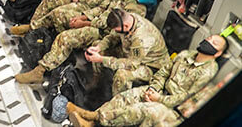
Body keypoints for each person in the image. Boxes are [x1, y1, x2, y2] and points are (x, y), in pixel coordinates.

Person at [67, 34, 226, 127]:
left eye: (214, 43)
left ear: (218, 53)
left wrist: (160, 99)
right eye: (209, 38)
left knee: (141, 109)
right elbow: (164, 71)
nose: (208, 41)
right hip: (159, 91)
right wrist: (155, 89)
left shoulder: (208, 70)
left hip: (173, 108)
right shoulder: (186, 55)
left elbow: (186, 98)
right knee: (125, 97)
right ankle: (91, 120)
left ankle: (94, 118)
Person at [15, 0, 148, 84]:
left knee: (66, 38)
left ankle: (40, 71)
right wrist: (83, 17)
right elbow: (101, 8)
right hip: (95, 25)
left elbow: (115, 29)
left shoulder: (137, 9)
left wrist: (87, 24)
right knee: (61, 17)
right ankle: (43, 54)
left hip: (107, 35)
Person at [85, 8, 170, 96]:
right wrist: (99, 47)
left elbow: (132, 64)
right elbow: (112, 37)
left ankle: (118, 101)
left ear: (125, 26)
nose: (116, 31)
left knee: (122, 75)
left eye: (117, 30)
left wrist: (102, 59)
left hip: (151, 66)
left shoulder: (141, 38)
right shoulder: (126, 18)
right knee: (97, 46)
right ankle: (98, 80)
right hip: (131, 53)